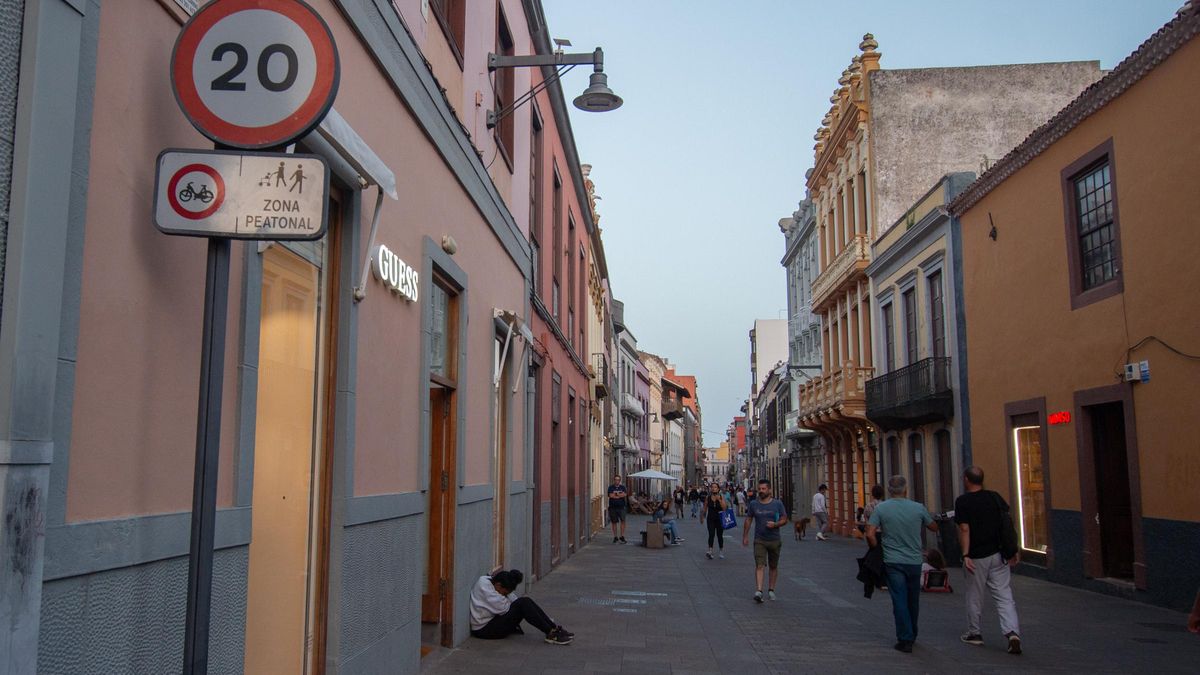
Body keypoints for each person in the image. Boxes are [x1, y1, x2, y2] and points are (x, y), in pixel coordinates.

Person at [865, 475, 938, 654]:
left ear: (890, 491)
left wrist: (875, 547)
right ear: (906, 490)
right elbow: (934, 527)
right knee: (913, 599)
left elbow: (869, 533)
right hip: (914, 560)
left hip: (893, 560)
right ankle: (912, 633)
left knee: (899, 599)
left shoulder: (882, 509)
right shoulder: (918, 508)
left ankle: (905, 638)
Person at [955, 465, 1022, 655]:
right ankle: (1012, 632)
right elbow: (1008, 523)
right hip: (999, 555)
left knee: (975, 595)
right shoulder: (995, 497)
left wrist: (966, 554)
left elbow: (965, 529)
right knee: (1004, 595)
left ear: (966, 479)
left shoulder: (963, 502)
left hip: (976, 556)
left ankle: (974, 633)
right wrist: (1012, 548)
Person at [470, 569, 573, 645]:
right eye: (504, 593)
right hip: (484, 630)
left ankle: (553, 628)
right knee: (523, 604)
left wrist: (509, 598)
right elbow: (505, 608)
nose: (504, 595)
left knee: (525, 601)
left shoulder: (487, 580)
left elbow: (513, 600)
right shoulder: (486, 590)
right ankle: (551, 634)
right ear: (498, 585)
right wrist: (513, 602)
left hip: (493, 621)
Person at [742, 479, 789, 603]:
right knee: (760, 565)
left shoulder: (777, 504)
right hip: (759, 540)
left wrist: (776, 524)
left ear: (769, 490)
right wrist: (745, 536)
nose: (761, 491)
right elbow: (748, 519)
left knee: (773, 566)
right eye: (759, 489)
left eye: (763, 489)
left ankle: (771, 590)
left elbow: (785, 519)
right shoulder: (753, 504)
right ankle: (759, 591)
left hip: (774, 540)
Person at [701, 482, 729, 559]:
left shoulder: (721, 497)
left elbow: (724, 508)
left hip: (719, 519)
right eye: (712, 487)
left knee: (719, 536)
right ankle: (710, 551)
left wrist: (719, 500)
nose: (713, 488)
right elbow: (705, 508)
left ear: (718, 489)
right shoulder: (708, 497)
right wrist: (702, 517)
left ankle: (721, 551)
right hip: (710, 519)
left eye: (715, 487)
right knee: (711, 534)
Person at [607, 475, 628, 544]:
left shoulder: (622, 487)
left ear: (620, 481)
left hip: (621, 507)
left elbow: (624, 495)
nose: (617, 481)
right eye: (616, 479)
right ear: (614, 480)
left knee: (623, 521)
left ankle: (622, 536)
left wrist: (615, 494)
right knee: (614, 522)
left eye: (618, 480)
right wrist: (619, 494)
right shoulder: (611, 487)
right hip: (612, 507)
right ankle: (615, 536)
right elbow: (610, 495)